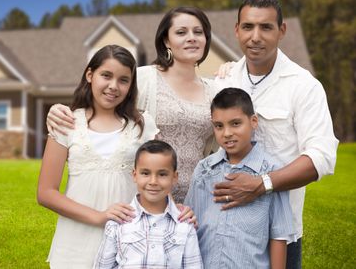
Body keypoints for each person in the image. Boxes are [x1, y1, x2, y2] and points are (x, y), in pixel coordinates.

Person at [212, 0, 338, 268]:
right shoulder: (223, 81)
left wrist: (262, 184)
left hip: (280, 232)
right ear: (236, 30)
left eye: (266, 27)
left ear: (282, 30)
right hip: (226, 228)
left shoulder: (303, 86)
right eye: (248, 26)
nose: (255, 36)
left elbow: (322, 157)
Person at [47, 6, 218, 203]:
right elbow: (102, 101)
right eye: (181, 32)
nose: (192, 38)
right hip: (144, 199)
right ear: (166, 40)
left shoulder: (215, 91)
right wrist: (56, 110)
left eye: (198, 32)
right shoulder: (143, 78)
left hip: (197, 198)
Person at [37, 45, 159, 268]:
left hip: (128, 240)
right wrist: (99, 216)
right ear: (90, 75)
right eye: (106, 75)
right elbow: (46, 193)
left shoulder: (142, 125)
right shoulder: (66, 123)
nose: (114, 86)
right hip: (75, 243)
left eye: (124, 80)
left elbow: (159, 178)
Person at [185, 88, 294, 268]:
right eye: (219, 126)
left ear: (253, 122)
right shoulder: (204, 170)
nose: (227, 133)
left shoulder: (272, 172)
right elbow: (189, 224)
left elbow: (278, 235)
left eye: (235, 124)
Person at [94, 140, 203, 269]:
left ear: (175, 177)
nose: (153, 181)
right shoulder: (118, 222)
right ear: (134, 175)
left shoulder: (184, 225)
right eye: (145, 173)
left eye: (162, 174)